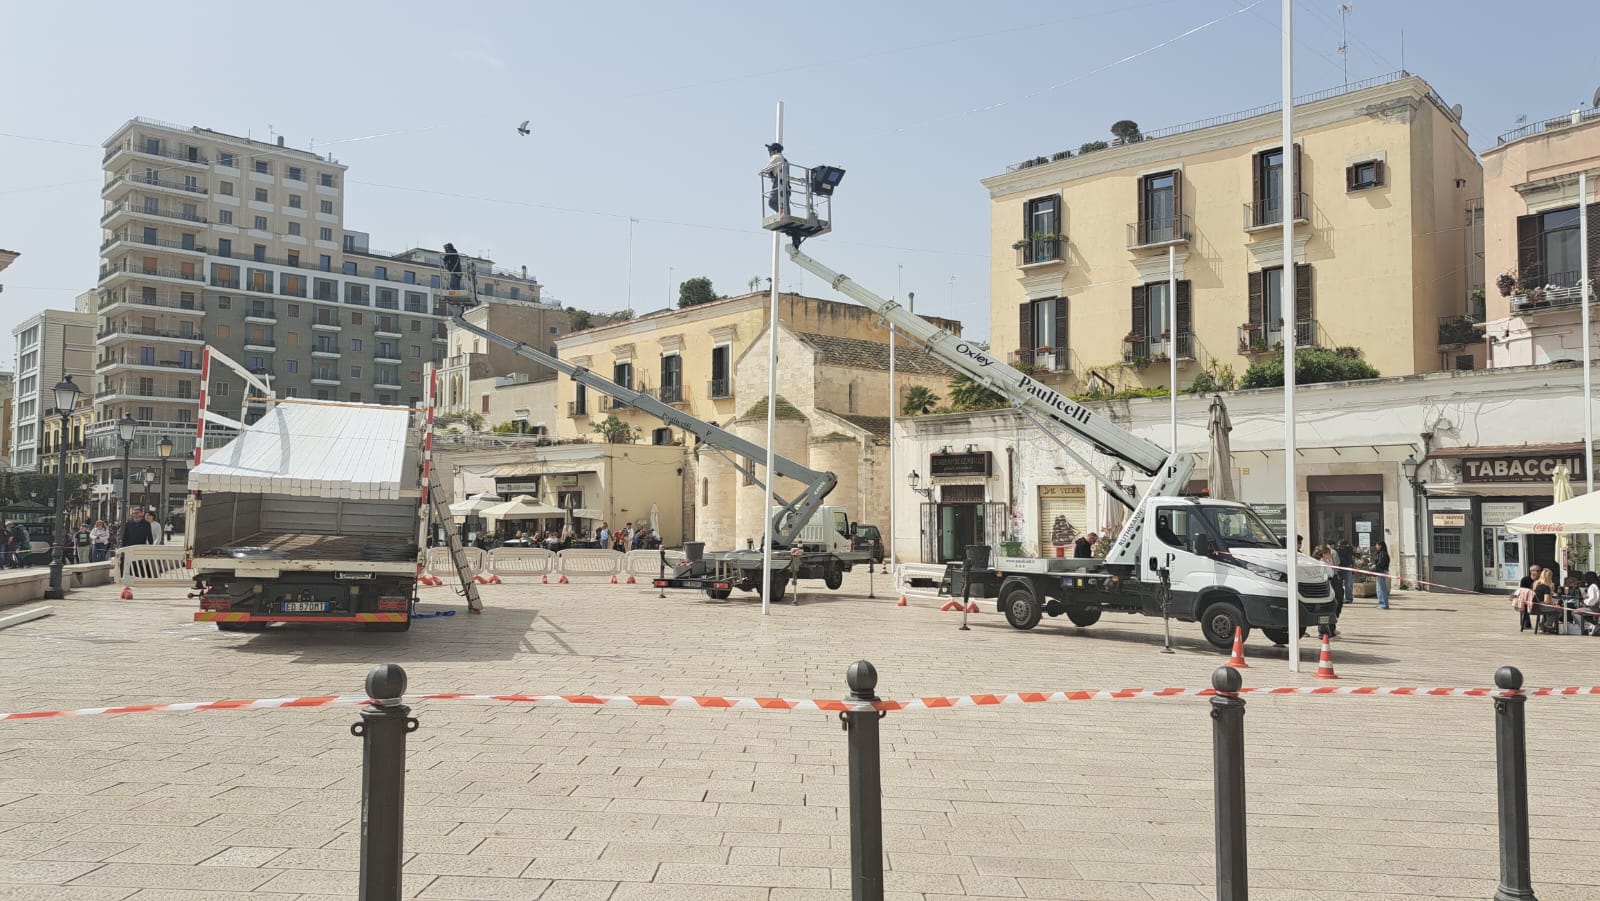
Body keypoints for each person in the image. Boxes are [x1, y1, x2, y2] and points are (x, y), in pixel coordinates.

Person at [1371, 540, 1391, 609]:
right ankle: (1382, 603)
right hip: (1380, 571)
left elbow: (1381, 563)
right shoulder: (1382, 553)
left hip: (1381, 572)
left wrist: (1374, 567)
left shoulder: (1382, 553)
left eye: (1377, 545)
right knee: (1380, 588)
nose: (1376, 546)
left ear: (1380, 546)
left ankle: (1383, 604)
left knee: (1381, 589)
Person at [1335, 539, 1356, 604]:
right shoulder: (1349, 549)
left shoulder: (1337, 550)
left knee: (1339, 585)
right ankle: (1348, 598)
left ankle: (1340, 598)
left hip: (1339, 567)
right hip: (1347, 567)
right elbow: (1354, 553)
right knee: (1348, 584)